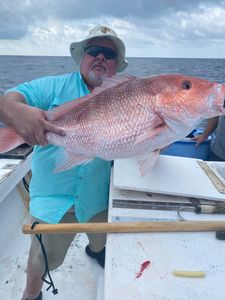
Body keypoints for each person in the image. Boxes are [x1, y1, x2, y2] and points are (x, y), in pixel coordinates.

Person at [0, 24, 128, 300]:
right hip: (53, 201)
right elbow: (7, 100)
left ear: (117, 66)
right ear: (82, 56)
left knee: (101, 239)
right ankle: (31, 294)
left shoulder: (126, 95)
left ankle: (95, 250)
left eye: (109, 54)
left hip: (98, 198)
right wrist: (17, 112)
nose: (101, 58)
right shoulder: (53, 86)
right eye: (94, 51)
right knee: (39, 262)